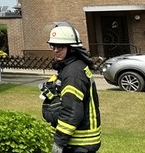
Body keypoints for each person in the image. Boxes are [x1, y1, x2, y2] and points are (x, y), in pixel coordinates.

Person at [39, 22, 101, 153]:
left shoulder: (73, 73)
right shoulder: (73, 67)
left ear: (72, 48)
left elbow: (72, 112)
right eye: (53, 45)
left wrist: (59, 142)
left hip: (79, 142)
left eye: (60, 46)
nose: (55, 50)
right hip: (81, 140)